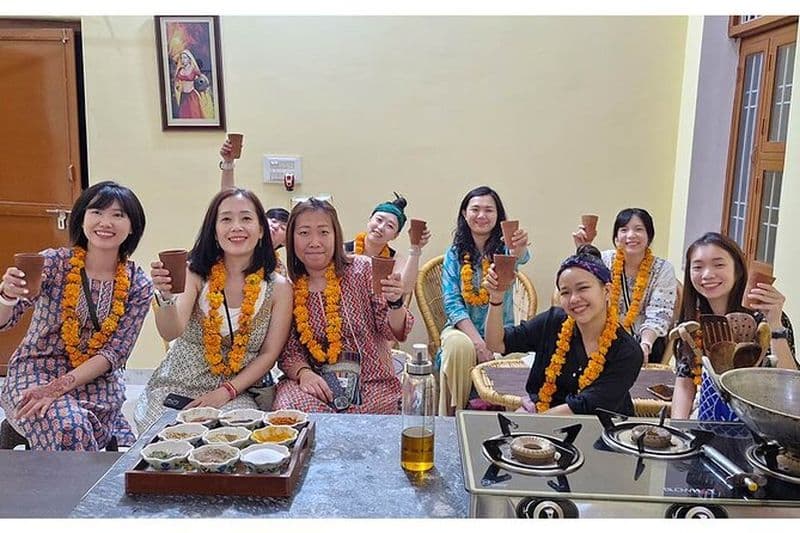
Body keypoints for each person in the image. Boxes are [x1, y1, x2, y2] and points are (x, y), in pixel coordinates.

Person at [0, 181, 152, 450]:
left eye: (118, 215)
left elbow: (113, 354)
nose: (106, 222)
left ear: (132, 228)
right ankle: (72, 491)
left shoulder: (137, 283)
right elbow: (3, 321)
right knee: (69, 425)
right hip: (36, 370)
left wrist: (57, 389)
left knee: (80, 425)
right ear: (82, 218)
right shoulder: (53, 263)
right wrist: (7, 297)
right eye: (96, 212)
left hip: (98, 380)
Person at [134, 188, 292, 432]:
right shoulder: (195, 274)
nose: (236, 227)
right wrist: (165, 296)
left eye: (246, 219)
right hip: (178, 384)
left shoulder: (279, 288)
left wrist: (225, 392)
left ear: (261, 231)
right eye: (226, 219)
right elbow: (170, 331)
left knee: (232, 434)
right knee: (167, 436)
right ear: (215, 232)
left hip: (234, 391)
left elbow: (268, 355)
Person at [272, 198, 414, 414]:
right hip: (318, 384)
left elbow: (392, 330)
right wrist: (304, 374)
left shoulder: (363, 269)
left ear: (336, 235)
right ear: (291, 239)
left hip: (371, 382)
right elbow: (289, 350)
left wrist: (396, 303)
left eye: (323, 232)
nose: (314, 242)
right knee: (289, 404)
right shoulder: (288, 288)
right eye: (304, 233)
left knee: (360, 414)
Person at [485, 245, 643, 415]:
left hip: (601, 429)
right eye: (565, 292)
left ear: (607, 291)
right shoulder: (552, 322)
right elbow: (496, 343)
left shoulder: (628, 351)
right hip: (544, 415)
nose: (574, 299)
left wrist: (533, 425)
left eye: (583, 288)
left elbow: (586, 406)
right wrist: (496, 299)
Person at [671, 232, 796, 420]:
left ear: (737, 270)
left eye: (719, 264)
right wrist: (678, 432)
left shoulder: (763, 318)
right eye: (697, 267)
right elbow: (684, 383)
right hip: (708, 420)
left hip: (761, 424)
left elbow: (791, 383)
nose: (707, 275)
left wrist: (775, 324)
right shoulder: (692, 323)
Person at [438, 185, 530, 415]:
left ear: (498, 216)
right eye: (475, 209)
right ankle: (455, 416)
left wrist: (518, 248)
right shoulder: (454, 254)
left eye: (489, 210)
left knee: (522, 357)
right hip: (461, 330)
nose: (481, 216)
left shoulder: (505, 252)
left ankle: (510, 426)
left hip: (503, 329)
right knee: (459, 347)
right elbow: (452, 304)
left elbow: (520, 258)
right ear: (464, 214)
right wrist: (479, 343)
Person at [573, 208, 677, 365]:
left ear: (649, 236)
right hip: (602, 338)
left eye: (639, 229)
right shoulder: (604, 260)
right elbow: (581, 286)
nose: (631, 235)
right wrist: (583, 250)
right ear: (616, 237)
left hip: (646, 342)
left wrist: (645, 345)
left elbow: (659, 313)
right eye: (624, 230)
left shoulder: (663, 269)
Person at [218, 139, 290, 272]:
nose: (275, 226)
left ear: (285, 242)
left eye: (282, 228)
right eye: (273, 221)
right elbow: (228, 201)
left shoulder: (277, 269)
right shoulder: (231, 246)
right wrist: (228, 163)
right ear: (260, 224)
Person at [344, 193, 431, 295]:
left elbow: (406, 288)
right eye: (379, 220)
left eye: (390, 226)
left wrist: (415, 248)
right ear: (370, 220)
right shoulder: (343, 250)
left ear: (395, 235)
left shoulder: (395, 259)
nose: (380, 227)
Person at [173, 49, 207, 119]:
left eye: (185, 57)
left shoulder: (193, 69)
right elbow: (176, 82)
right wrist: (178, 86)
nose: (183, 60)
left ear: (189, 59)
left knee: (194, 114)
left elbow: (203, 80)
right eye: (181, 58)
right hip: (183, 97)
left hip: (192, 96)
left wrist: (202, 87)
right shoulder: (180, 70)